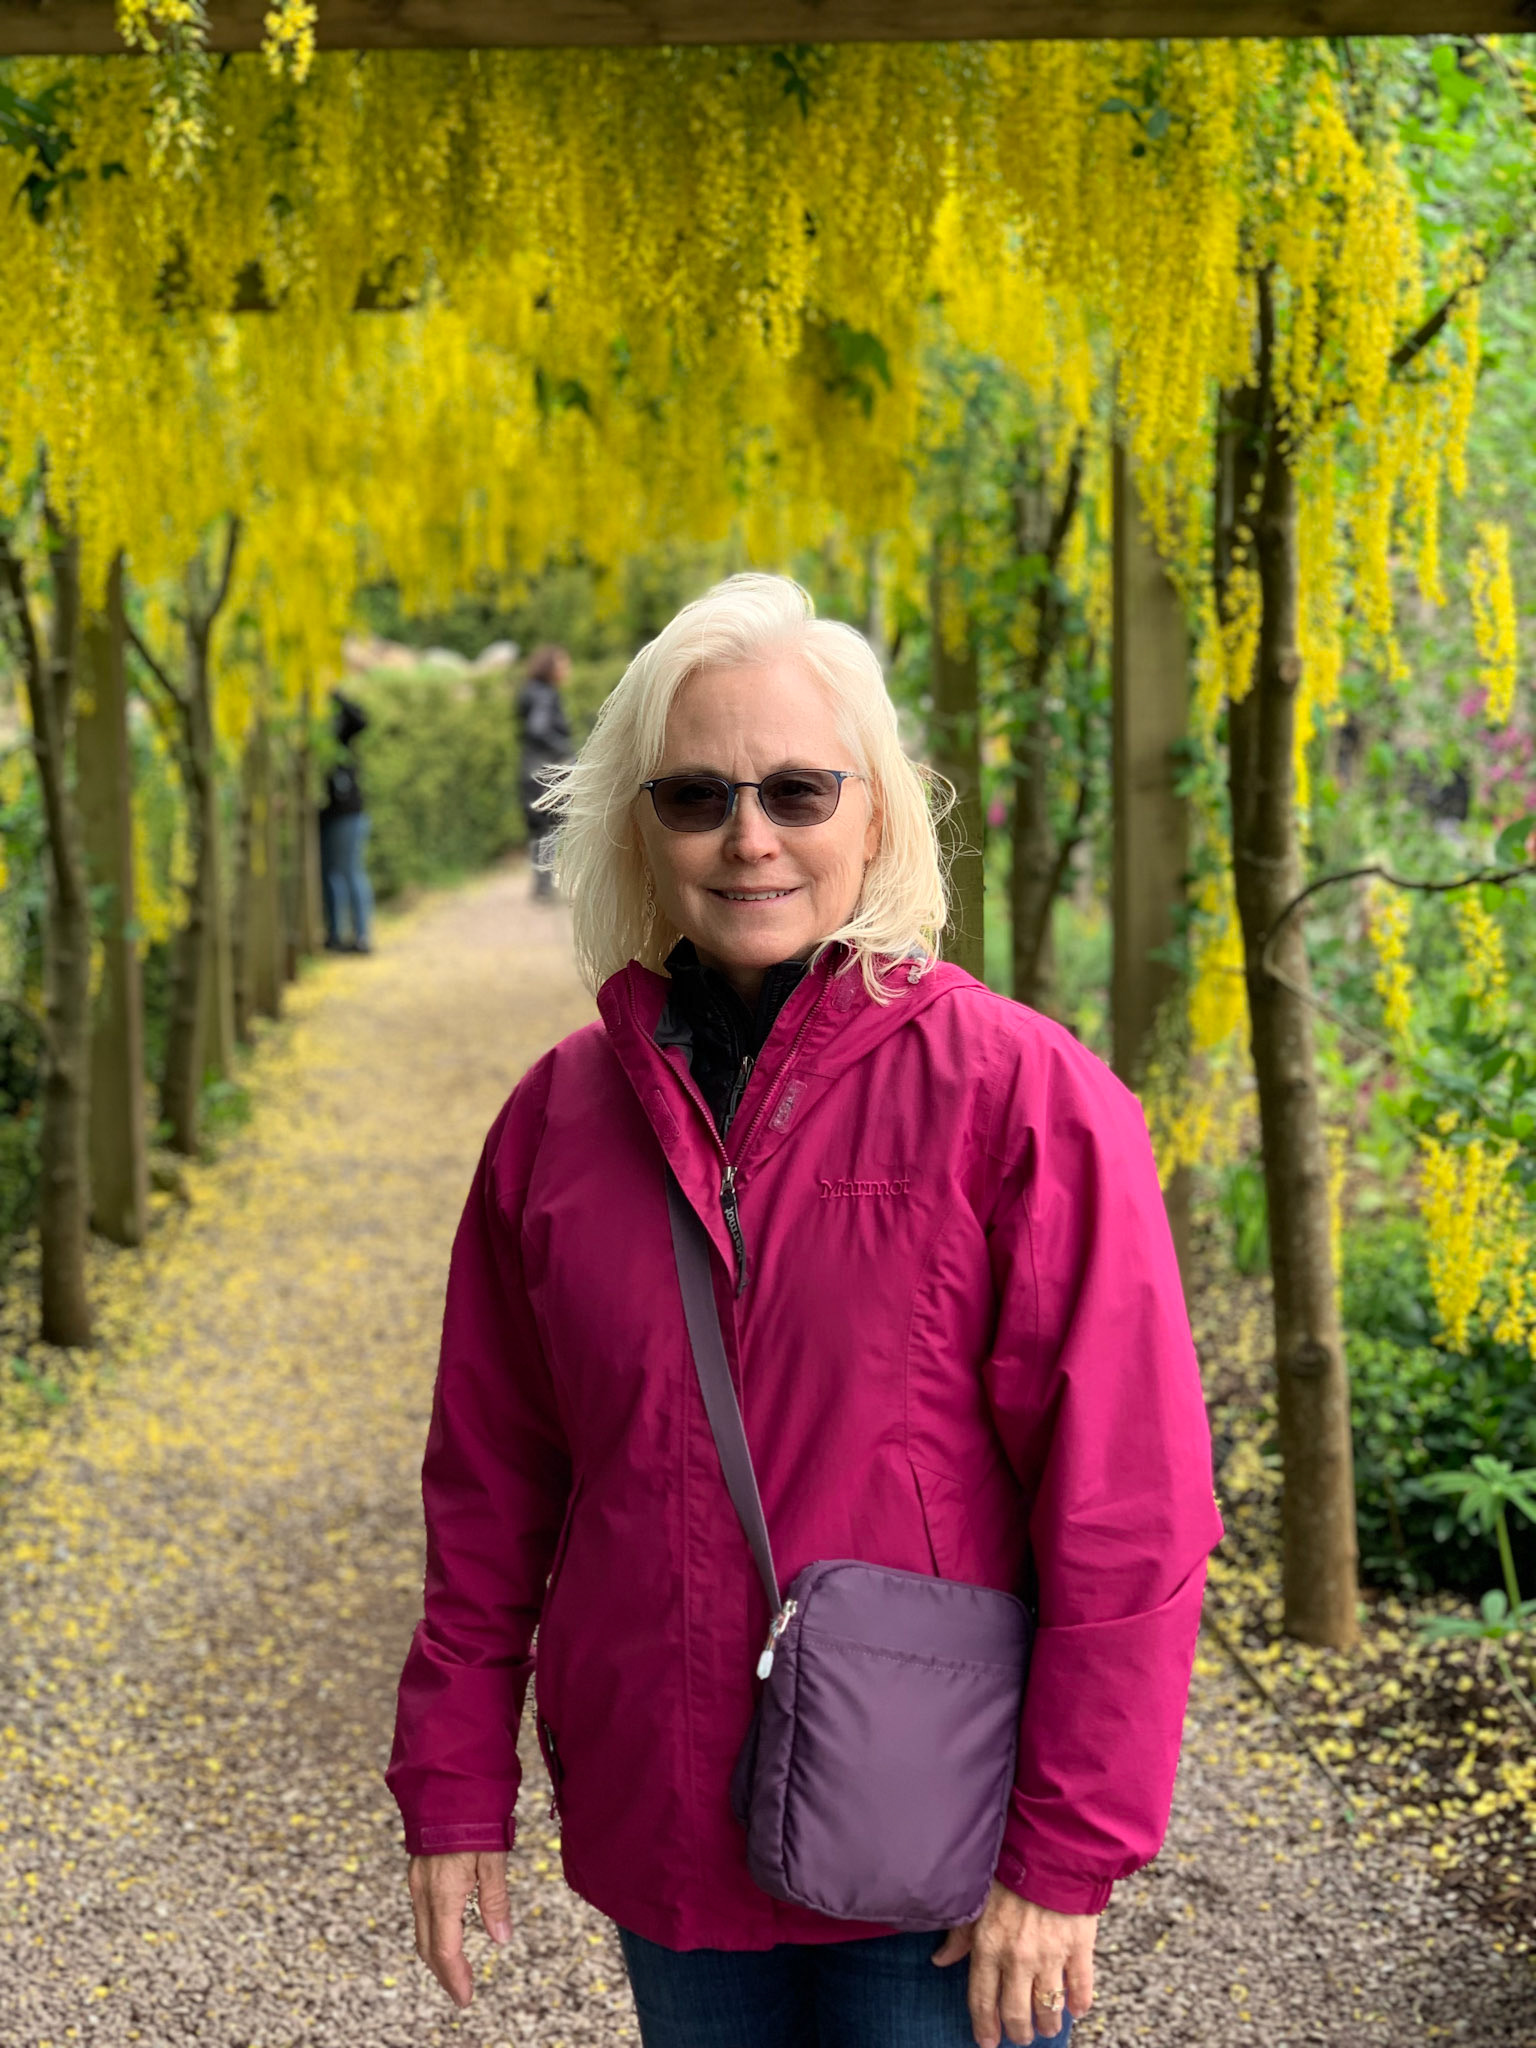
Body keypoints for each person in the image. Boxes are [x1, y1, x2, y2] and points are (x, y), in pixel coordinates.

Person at [387, 575, 1223, 2048]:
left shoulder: (1022, 1099)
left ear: (876, 812)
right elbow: (492, 1485)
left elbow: (1128, 1502)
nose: (750, 836)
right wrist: (454, 1783)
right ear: (639, 827)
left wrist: (1067, 1855)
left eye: (797, 789)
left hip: (936, 1839)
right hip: (669, 1836)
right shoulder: (557, 1123)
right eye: (697, 795)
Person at [319, 688, 374, 955]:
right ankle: (335, 935)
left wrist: (331, 691)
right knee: (329, 874)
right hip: (324, 813)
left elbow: (361, 719)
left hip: (347, 812)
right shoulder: (317, 731)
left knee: (349, 871)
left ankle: (361, 936)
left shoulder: (342, 730)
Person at [516, 644, 574, 899]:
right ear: (550, 667)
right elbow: (537, 729)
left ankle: (541, 886)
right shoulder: (546, 695)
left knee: (538, 829)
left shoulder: (529, 691)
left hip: (529, 769)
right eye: (563, 664)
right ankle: (544, 886)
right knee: (551, 827)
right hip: (546, 773)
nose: (567, 669)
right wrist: (565, 750)